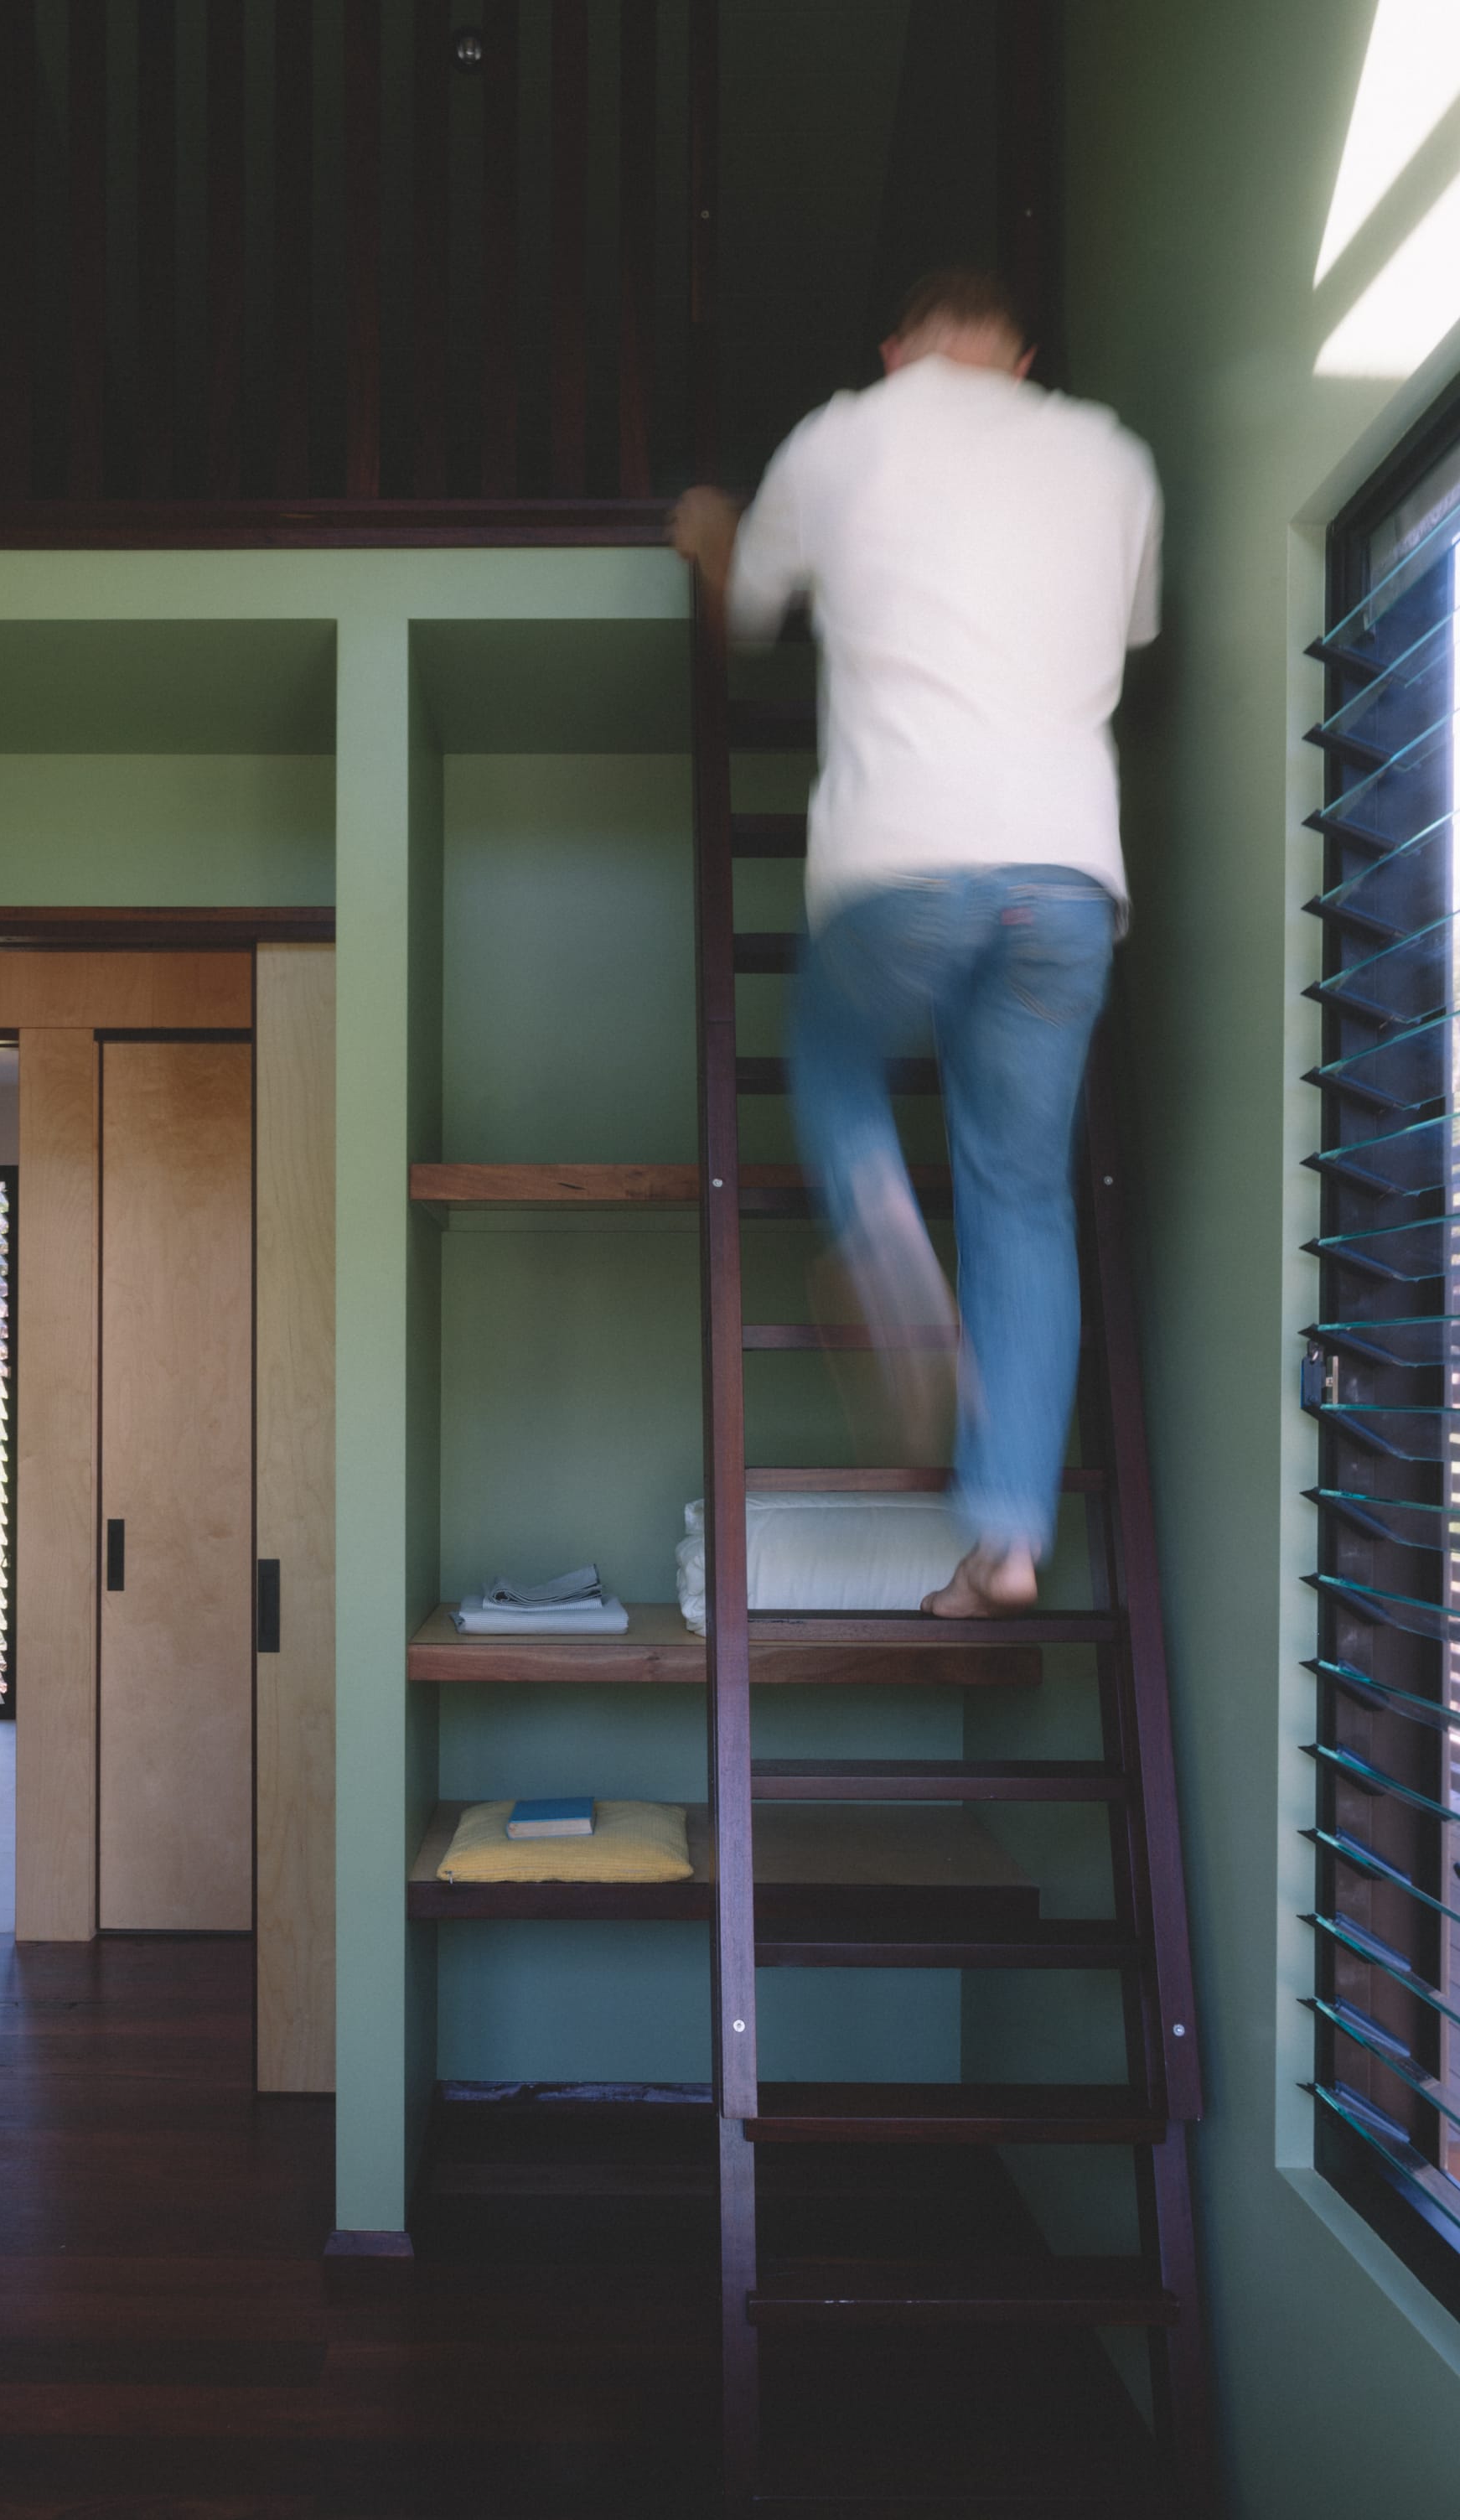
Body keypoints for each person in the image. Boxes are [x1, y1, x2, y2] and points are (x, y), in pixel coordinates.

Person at [670, 267, 1161, 1618]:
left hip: (903, 861)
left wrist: (709, 533)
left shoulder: (845, 433)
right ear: (1023, 357)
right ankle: (1006, 1539)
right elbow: (1124, 628)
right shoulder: (1112, 456)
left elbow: (744, 609)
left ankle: (883, 1223)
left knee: (828, 1057)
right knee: (1022, 1196)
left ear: (898, 350)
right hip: (1065, 882)